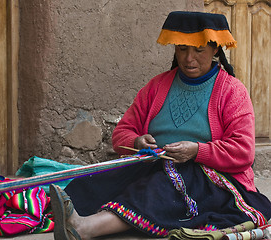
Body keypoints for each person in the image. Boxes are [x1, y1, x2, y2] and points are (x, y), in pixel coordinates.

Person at [49, 11, 271, 240]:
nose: (189, 59)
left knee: (159, 189)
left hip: (208, 178)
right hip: (154, 164)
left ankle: (85, 229)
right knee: (95, 183)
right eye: (182, 49)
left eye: (199, 50)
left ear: (215, 50)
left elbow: (243, 151)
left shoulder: (232, 91)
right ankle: (73, 215)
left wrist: (196, 150)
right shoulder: (157, 86)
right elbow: (121, 134)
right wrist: (136, 141)